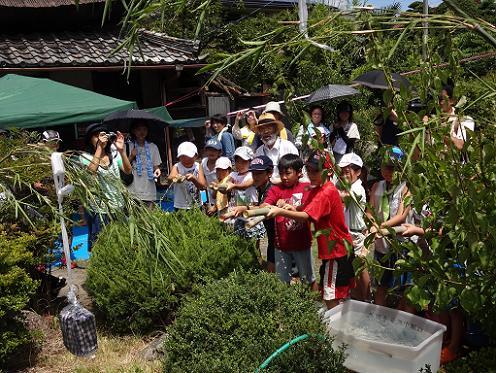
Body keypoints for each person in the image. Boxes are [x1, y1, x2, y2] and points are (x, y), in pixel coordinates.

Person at [268, 151, 354, 309]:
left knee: (330, 295)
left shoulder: (326, 192)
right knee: (334, 292)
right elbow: (306, 207)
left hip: (336, 250)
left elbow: (306, 216)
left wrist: (280, 211)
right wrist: (294, 207)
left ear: (328, 171)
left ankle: (334, 330)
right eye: (309, 170)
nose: (312, 174)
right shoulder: (318, 188)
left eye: (316, 171)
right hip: (335, 249)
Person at [262, 154, 317, 290]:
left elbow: (308, 211)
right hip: (281, 244)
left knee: (308, 278)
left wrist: (287, 205)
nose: (284, 177)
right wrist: (272, 205)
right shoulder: (276, 189)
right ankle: (284, 308)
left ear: (299, 173)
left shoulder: (307, 188)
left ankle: (316, 305)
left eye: (288, 173)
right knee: (282, 280)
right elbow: (265, 205)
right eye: (281, 173)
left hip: (302, 243)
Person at [367, 147, 413, 311]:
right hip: (381, 244)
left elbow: (401, 216)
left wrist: (380, 227)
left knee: (402, 287)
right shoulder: (376, 187)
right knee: (381, 283)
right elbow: (370, 211)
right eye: (386, 166)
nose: (389, 171)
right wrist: (373, 224)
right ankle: (379, 317)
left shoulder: (405, 189)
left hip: (399, 244)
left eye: (393, 168)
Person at [79, 123, 132, 250]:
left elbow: (128, 170)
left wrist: (121, 151)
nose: (100, 139)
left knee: (120, 243)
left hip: (118, 206)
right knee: (100, 245)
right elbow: (90, 172)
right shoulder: (85, 157)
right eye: (96, 136)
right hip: (99, 209)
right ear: (90, 139)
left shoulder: (114, 154)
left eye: (103, 135)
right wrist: (99, 149)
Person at [337, 153, 370, 301]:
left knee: (360, 267)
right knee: (352, 268)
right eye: (342, 171)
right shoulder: (348, 186)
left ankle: (368, 297)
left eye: (347, 171)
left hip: (356, 234)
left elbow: (343, 197)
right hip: (348, 232)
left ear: (358, 172)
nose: (344, 175)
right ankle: (357, 298)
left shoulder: (357, 188)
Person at [254, 112, 298, 184]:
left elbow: (297, 173)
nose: (266, 131)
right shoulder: (258, 152)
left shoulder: (288, 147)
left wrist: (277, 182)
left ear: (276, 130)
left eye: (269, 128)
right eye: (262, 129)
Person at [127, 122, 162, 206]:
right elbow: (124, 167)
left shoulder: (153, 147)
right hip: (132, 189)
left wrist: (157, 170)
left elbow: (156, 166)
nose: (142, 132)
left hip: (148, 188)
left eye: (144, 129)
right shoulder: (128, 146)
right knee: (134, 217)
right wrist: (131, 156)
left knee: (149, 217)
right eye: (139, 129)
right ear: (133, 131)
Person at [167, 141, 207, 210]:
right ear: (179, 157)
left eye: (189, 157)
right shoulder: (177, 166)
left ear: (196, 156)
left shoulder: (198, 166)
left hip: (196, 204)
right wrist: (177, 178)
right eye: (183, 157)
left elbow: (203, 186)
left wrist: (194, 179)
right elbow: (170, 179)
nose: (186, 160)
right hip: (180, 205)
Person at [201, 138, 223, 212]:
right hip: (208, 198)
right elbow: (202, 186)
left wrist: (216, 206)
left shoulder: (222, 165)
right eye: (209, 150)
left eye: (214, 150)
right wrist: (204, 202)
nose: (211, 152)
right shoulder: (204, 162)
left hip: (220, 198)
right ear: (206, 151)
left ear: (219, 152)